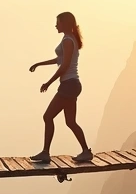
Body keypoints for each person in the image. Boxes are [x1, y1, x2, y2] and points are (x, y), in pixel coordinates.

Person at [28, 11, 92, 163]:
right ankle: (86, 151)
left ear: (65, 23)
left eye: (58, 22)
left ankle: (45, 153)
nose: (56, 25)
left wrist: (48, 83)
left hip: (68, 85)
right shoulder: (69, 39)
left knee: (48, 116)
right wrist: (39, 64)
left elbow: (64, 66)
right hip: (72, 85)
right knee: (70, 122)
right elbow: (60, 59)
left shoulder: (68, 40)